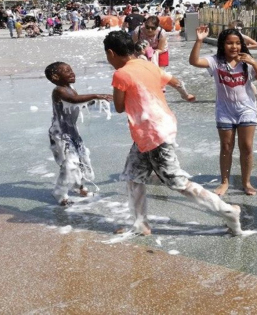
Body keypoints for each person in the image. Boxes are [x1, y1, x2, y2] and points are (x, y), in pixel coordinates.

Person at [104, 31, 244, 236]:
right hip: (153, 131)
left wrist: (113, 93)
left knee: (177, 182)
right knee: (133, 176)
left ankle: (228, 211)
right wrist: (186, 94)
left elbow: (118, 106)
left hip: (153, 134)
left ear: (111, 53)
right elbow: (175, 81)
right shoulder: (148, 65)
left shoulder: (121, 74)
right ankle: (140, 224)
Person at [189, 26, 257, 196]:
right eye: (229, 43)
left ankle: (246, 182)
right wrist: (199, 40)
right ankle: (224, 181)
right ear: (222, 45)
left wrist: (254, 62)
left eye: (237, 43)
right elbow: (194, 61)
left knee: (246, 146)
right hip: (224, 110)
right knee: (226, 147)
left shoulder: (247, 62)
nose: (234, 47)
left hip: (246, 109)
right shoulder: (215, 61)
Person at [44, 62, 113, 205]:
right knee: (69, 164)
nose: (72, 72)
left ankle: (79, 186)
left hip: (72, 132)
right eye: (67, 71)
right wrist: (96, 95)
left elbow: (76, 103)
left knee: (82, 160)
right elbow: (74, 100)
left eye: (72, 69)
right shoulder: (59, 91)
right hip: (60, 134)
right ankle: (60, 193)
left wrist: (91, 102)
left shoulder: (70, 88)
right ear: (56, 76)